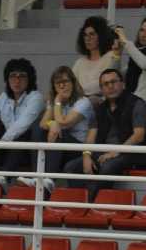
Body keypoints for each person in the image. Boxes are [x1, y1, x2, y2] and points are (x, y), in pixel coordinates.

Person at [62, 67, 146, 197]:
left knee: (107, 166)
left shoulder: (137, 103)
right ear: (101, 89)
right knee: (71, 167)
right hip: (104, 153)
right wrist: (86, 155)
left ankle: (91, 204)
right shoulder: (99, 108)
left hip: (132, 152)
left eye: (114, 82)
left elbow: (139, 135)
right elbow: (91, 136)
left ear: (122, 84)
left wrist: (115, 152)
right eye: (106, 84)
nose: (110, 86)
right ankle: (79, 203)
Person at [33, 66, 96, 188]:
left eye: (65, 82)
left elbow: (64, 123)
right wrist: (52, 124)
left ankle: (49, 179)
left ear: (73, 82)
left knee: (59, 132)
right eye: (58, 83)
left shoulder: (83, 102)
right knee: (38, 129)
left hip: (79, 149)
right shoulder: (54, 101)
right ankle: (37, 176)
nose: (62, 86)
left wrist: (57, 101)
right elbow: (43, 123)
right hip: (60, 146)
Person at [72, 17, 120, 101]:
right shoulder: (79, 62)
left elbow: (105, 83)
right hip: (80, 103)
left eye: (92, 34)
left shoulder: (110, 56)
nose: (87, 38)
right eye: (85, 35)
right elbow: (70, 84)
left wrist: (80, 91)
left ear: (101, 36)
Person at [114, 18, 146, 101]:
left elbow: (144, 64)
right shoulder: (137, 53)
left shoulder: (138, 55)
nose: (144, 35)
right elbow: (115, 75)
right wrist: (117, 55)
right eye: (142, 30)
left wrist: (124, 41)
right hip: (130, 100)